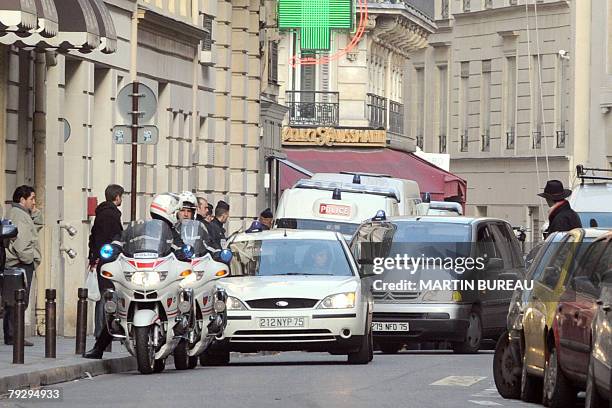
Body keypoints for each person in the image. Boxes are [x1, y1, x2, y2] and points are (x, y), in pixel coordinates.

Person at [84, 192, 183, 359]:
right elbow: (122, 240)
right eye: (176, 212)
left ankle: (182, 333)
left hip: (161, 278)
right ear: (170, 212)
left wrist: (184, 252)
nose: (178, 216)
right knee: (117, 305)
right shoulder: (140, 228)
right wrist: (112, 249)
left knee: (182, 296)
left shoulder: (172, 233)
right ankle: (99, 347)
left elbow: (181, 248)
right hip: (140, 274)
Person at [87, 184, 124, 344]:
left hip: (100, 258)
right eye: (121, 196)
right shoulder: (112, 215)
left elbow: (93, 237)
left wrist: (93, 257)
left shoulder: (101, 213)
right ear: (117, 197)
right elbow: (116, 236)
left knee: (103, 296)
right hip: (109, 260)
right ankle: (104, 331)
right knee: (107, 296)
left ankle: (102, 330)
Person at [4, 186, 41, 346]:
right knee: (19, 301)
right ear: (22, 199)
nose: (34, 202)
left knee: (14, 301)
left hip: (16, 263)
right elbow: (22, 244)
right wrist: (30, 259)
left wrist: (35, 212)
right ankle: (14, 336)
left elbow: (35, 227)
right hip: (21, 263)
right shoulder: (20, 216)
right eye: (32, 198)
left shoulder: (19, 214)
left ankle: (12, 335)